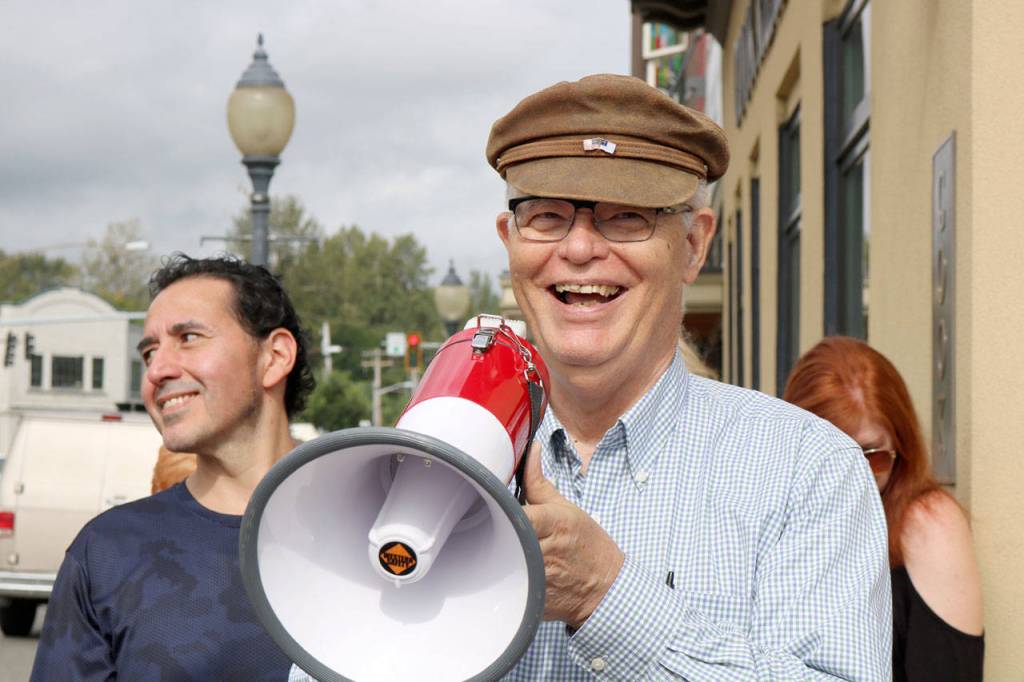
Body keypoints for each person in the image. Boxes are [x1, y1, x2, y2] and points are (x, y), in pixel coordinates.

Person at [286, 74, 889, 682]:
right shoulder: (411, 464)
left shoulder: (807, 470)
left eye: (626, 217)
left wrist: (609, 597)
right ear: (510, 239)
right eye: (545, 215)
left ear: (694, 245)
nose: (577, 248)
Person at [32, 254, 315, 681]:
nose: (157, 370)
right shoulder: (107, 552)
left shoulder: (383, 532)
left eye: (189, 337)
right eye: (149, 352)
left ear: (274, 357)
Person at [784, 336, 984, 681]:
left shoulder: (927, 524)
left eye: (872, 457)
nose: (855, 477)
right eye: (835, 458)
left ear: (900, 446)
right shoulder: (781, 521)